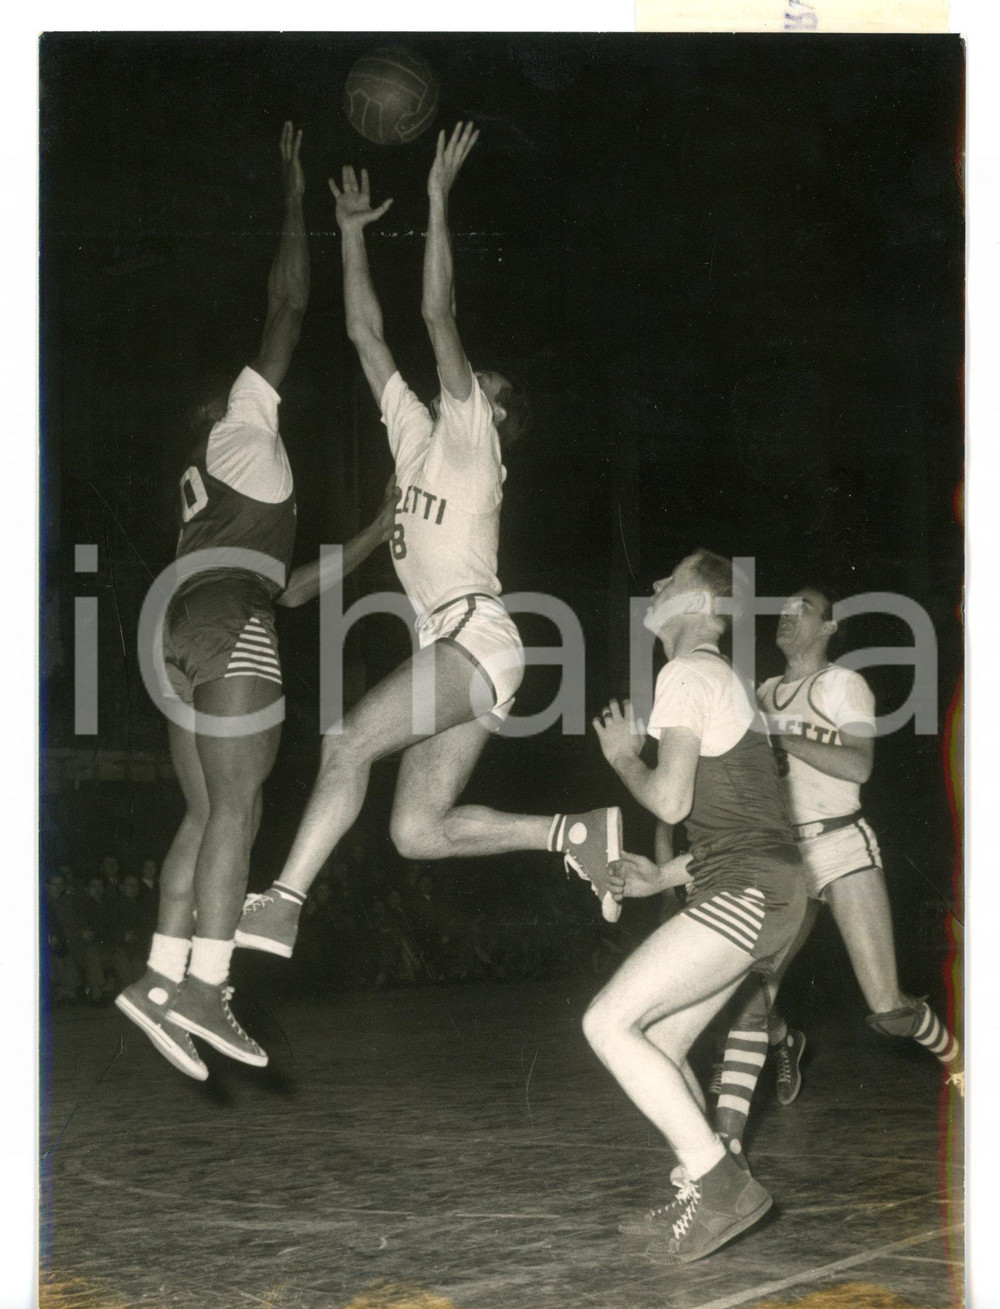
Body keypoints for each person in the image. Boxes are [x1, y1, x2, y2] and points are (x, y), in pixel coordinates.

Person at [235, 123, 619, 963]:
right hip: (469, 647)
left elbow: (436, 312)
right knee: (415, 830)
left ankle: (282, 902)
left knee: (348, 742)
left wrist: (441, 198)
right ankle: (573, 832)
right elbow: (367, 336)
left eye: (489, 383)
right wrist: (346, 235)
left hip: (473, 636)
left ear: (498, 411)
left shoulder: (475, 435)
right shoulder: (416, 434)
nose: (474, 377)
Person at [116, 124, 394, 1081]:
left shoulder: (220, 483)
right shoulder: (240, 426)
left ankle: (159, 974)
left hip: (182, 625)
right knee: (240, 810)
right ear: (224, 405)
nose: (269, 386)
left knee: (205, 812)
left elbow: (294, 581)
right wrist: (293, 194)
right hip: (225, 617)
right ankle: (204, 987)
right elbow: (288, 301)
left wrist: (375, 527)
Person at [581, 550, 806, 1263]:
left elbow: (672, 800)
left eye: (669, 579)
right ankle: (696, 1183)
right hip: (764, 886)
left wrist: (622, 755)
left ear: (703, 605)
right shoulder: (718, 679)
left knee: (606, 1022)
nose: (654, 585)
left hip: (749, 889)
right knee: (664, 1040)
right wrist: (659, 878)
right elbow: (743, 821)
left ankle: (720, 1183)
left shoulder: (685, 672)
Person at [712, 584, 962, 1151]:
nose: (787, 617)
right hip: (782, 856)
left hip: (840, 845)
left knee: (888, 1008)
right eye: (784, 609)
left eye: (804, 610)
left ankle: (963, 1064)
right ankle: (727, 1148)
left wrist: (783, 736)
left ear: (828, 628)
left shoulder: (844, 684)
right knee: (751, 1003)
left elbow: (858, 765)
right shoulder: (761, 692)